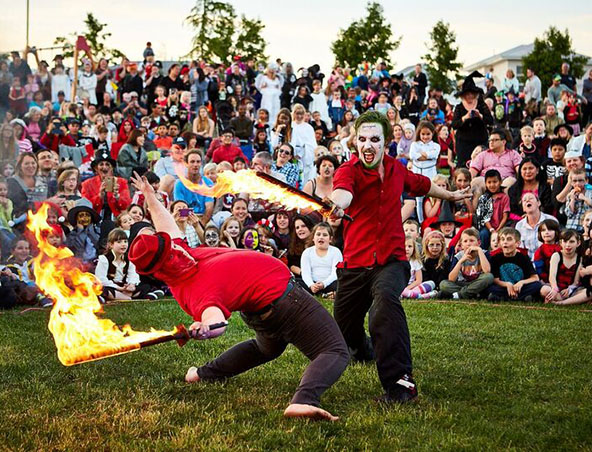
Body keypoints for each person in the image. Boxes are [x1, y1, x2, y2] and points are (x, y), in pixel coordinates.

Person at [127, 171, 349, 421]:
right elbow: (216, 321)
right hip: (285, 302)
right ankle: (304, 400)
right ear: (163, 265)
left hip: (262, 312)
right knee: (335, 351)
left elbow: (164, 223)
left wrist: (149, 195)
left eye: (169, 243)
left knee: (264, 349)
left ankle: (201, 374)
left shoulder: (179, 251)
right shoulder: (193, 291)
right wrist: (204, 328)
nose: (175, 247)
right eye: (169, 250)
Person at [329, 110, 471, 403]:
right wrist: (338, 205)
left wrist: (452, 196)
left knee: (384, 307)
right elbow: (342, 193)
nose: (368, 145)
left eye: (375, 139)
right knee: (344, 329)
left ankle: (400, 385)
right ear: (356, 142)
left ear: (386, 142)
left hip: (391, 260)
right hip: (355, 264)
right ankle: (364, 351)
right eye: (363, 139)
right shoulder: (348, 171)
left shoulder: (396, 169)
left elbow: (422, 184)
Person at [95, 228, 163, 302]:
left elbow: (133, 274)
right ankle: (128, 297)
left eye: (125, 241)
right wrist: (118, 288)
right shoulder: (104, 259)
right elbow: (101, 279)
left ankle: (123, 296)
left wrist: (131, 285)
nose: (123, 244)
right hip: (112, 286)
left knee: (145, 286)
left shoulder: (129, 258)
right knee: (103, 289)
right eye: (119, 242)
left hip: (124, 287)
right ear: (111, 244)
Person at [488, 228, 551, 302]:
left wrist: (521, 283)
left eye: (509, 239)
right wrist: (507, 284)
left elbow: (535, 277)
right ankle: (523, 298)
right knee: (490, 287)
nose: (505, 242)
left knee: (537, 285)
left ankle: (505, 298)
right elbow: (496, 280)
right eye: (502, 239)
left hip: (520, 288)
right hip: (504, 287)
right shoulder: (495, 258)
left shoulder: (523, 257)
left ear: (517, 243)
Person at [451, 71, 493, 169]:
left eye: (472, 94)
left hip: (480, 141)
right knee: (464, 167)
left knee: (480, 166)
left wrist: (480, 116)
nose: (469, 96)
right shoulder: (459, 107)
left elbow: (490, 121)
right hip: (463, 143)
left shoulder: (481, 105)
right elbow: (454, 124)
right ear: (463, 95)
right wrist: (465, 117)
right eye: (467, 94)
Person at [439, 228, 494, 300]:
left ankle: (460, 295)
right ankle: (473, 294)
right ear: (461, 245)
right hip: (462, 284)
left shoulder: (484, 253)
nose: (468, 243)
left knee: (489, 277)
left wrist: (479, 250)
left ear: (479, 243)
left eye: (471, 241)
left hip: (478, 283)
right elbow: (451, 279)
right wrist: (461, 261)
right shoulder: (458, 256)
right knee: (443, 284)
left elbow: (487, 271)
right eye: (465, 241)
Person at [80, 151, 131, 218]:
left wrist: (117, 196)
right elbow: (85, 205)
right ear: (96, 168)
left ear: (112, 168)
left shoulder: (122, 182)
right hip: (95, 218)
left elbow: (126, 205)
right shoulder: (87, 184)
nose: (104, 167)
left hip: (116, 219)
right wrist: (99, 196)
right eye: (101, 164)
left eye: (107, 164)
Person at [300, 222, 342, 296]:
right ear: (313, 238)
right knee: (297, 283)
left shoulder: (335, 251)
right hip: (313, 284)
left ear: (330, 239)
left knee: (341, 284)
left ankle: (325, 293)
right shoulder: (307, 252)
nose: (321, 237)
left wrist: (324, 284)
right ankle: (324, 294)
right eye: (318, 234)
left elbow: (335, 273)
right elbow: (305, 273)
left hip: (330, 283)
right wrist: (311, 285)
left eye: (325, 235)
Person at [173, 150, 214, 224]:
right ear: (186, 164)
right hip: (185, 218)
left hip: (203, 217)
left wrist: (201, 225)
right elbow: (180, 208)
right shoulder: (179, 183)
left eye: (198, 162)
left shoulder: (208, 182)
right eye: (192, 161)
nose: (195, 164)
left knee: (212, 230)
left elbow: (209, 207)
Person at [515, 192, 558, 259]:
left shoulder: (551, 220)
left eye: (530, 198)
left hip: (548, 260)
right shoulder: (519, 225)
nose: (527, 201)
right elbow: (520, 249)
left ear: (538, 203)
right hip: (528, 263)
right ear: (523, 208)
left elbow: (557, 243)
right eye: (524, 200)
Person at [475, 169, 510, 250]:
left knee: (504, 236)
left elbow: (505, 216)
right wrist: (491, 229)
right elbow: (484, 218)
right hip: (487, 226)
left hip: (501, 225)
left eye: (495, 182)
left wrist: (498, 229)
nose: (492, 185)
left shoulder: (504, 197)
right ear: (486, 184)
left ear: (500, 182)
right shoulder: (484, 198)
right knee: (483, 234)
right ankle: (483, 252)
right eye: (489, 182)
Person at [545, 229, 582, 303]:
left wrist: (569, 289)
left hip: (572, 290)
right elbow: (552, 277)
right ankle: (572, 301)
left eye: (571, 242)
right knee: (545, 290)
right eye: (565, 241)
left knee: (587, 292)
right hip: (556, 287)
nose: (568, 245)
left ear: (578, 243)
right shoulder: (556, 255)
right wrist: (555, 289)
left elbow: (576, 281)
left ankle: (563, 302)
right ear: (561, 243)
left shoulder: (579, 258)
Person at [533, 219, 562, 283]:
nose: (546, 232)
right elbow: (539, 270)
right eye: (543, 230)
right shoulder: (540, 251)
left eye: (550, 229)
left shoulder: (562, 248)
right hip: (546, 282)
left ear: (556, 232)